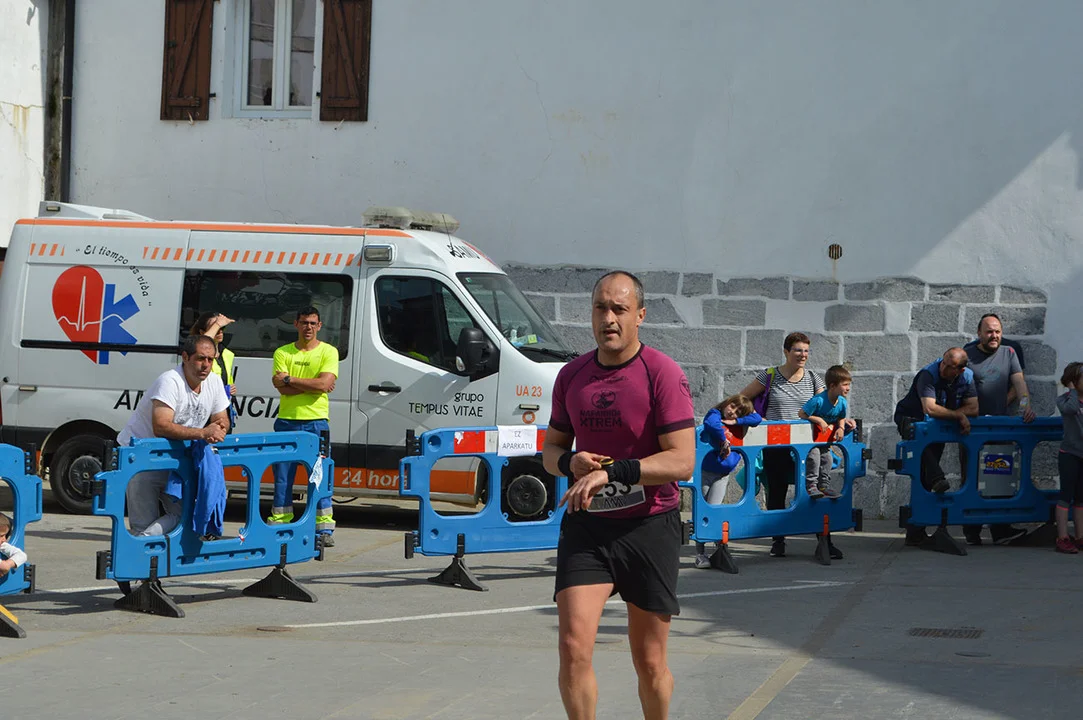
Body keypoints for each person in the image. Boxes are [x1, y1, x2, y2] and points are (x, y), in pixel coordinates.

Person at [542, 271, 695, 720]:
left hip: (650, 527)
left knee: (650, 661)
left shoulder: (661, 373)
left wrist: (614, 472)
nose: (608, 318)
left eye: (619, 309)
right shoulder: (572, 375)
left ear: (640, 315)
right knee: (573, 647)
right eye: (600, 308)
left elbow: (682, 461)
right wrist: (569, 463)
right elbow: (550, 451)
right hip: (588, 527)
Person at [117, 335, 230, 536]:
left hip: (173, 458)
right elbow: (161, 426)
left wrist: (219, 427)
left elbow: (222, 418)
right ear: (185, 357)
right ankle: (142, 544)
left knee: (184, 516)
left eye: (210, 359)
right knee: (143, 522)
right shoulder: (169, 381)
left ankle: (143, 542)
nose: (206, 365)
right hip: (142, 458)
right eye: (200, 358)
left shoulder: (214, 381)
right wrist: (204, 433)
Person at [740, 332, 835, 559]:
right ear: (786, 351)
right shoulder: (769, 375)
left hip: (807, 446)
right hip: (777, 445)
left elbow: (825, 406)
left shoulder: (813, 378)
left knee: (814, 490)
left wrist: (840, 420)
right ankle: (778, 541)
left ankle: (824, 540)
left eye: (806, 351)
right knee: (777, 491)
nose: (803, 355)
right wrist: (759, 419)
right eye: (798, 350)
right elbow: (743, 398)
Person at [961, 313, 1034, 546]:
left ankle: (1001, 530)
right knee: (971, 477)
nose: (994, 336)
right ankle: (971, 530)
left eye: (998, 331)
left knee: (1000, 475)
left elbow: (1020, 383)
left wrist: (1025, 407)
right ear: (979, 333)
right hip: (973, 428)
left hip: (999, 426)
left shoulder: (1009, 353)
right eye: (989, 331)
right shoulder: (967, 354)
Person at [894, 347, 978, 546]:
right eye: (943, 363)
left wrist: (958, 414)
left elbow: (974, 408)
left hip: (937, 426)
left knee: (924, 477)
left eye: (949, 367)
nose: (943, 368)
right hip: (911, 419)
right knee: (925, 469)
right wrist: (959, 415)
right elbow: (930, 408)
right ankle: (937, 479)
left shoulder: (967, 377)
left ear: (960, 370)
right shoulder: (928, 375)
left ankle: (915, 532)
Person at [269, 306, 338, 546]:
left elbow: (323, 385)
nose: (308, 327)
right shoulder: (282, 352)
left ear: (319, 326)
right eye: (304, 322)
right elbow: (282, 389)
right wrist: (313, 385)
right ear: (296, 324)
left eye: (312, 323)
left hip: (317, 423)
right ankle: (280, 524)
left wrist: (290, 379)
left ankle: (323, 530)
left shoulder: (329, 351)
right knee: (282, 478)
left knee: (318, 476)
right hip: (287, 422)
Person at [695, 394, 761, 568]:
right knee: (702, 511)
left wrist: (737, 421)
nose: (733, 412)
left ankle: (719, 546)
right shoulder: (715, 413)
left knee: (714, 509)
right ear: (727, 403)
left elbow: (757, 418)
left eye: (738, 412)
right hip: (705, 472)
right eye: (732, 406)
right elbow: (711, 424)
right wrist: (724, 440)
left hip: (722, 475)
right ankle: (700, 553)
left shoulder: (737, 421)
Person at [799, 365, 857, 500]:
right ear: (832, 386)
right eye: (845, 385)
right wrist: (818, 420)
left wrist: (841, 428)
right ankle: (811, 485)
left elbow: (841, 417)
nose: (848, 388)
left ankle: (823, 486)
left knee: (827, 459)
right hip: (811, 440)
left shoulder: (842, 402)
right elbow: (802, 413)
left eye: (849, 384)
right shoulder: (818, 400)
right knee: (814, 457)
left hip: (824, 441)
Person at [190, 311, 238, 431]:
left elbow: (224, 378)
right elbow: (201, 343)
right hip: (202, 407)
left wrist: (230, 388)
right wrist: (218, 324)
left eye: (222, 328)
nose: (220, 331)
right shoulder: (197, 354)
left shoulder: (227, 354)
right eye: (216, 328)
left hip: (221, 407)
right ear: (202, 332)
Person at [1054, 362, 1083, 554]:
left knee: (1081, 498)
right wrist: (1072, 390)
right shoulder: (1064, 400)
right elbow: (1071, 409)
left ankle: (1080, 536)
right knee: (1066, 496)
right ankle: (1063, 537)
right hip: (1069, 455)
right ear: (1073, 381)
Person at [0, 513, 28, 578]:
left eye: (5, 535)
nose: (4, 539)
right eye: (1, 536)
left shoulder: (2, 545)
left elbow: (22, 555)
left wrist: (8, 564)